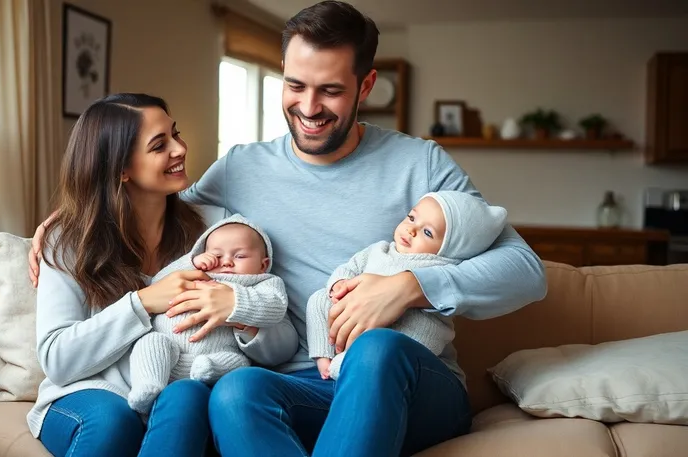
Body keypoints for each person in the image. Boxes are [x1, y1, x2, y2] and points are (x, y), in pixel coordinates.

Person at [29, 2, 546, 456]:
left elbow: (525, 270)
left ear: (366, 85)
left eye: (331, 91)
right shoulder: (239, 170)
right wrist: (73, 216)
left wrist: (409, 288)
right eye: (295, 85)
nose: (308, 107)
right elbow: (157, 207)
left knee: (375, 349)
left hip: (407, 380)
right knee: (235, 393)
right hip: (298, 383)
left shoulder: (421, 164)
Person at [28, 93, 298, 457]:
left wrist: (240, 310)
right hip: (90, 391)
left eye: (176, 133)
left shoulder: (216, 230)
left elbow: (281, 339)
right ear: (121, 169)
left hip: (182, 388)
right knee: (113, 422)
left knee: (187, 397)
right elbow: (58, 359)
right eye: (160, 145)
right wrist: (142, 303)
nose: (180, 149)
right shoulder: (67, 241)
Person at [306, 191, 508, 379]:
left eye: (427, 233)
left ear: (451, 249)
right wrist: (340, 284)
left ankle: (348, 365)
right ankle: (324, 356)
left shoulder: (439, 268)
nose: (411, 230)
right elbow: (351, 266)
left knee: (410, 336)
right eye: (412, 218)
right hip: (353, 310)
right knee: (318, 299)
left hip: (407, 326)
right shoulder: (380, 249)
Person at [128, 213, 289, 415]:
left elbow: (275, 306)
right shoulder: (194, 272)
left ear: (263, 264)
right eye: (217, 255)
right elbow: (158, 283)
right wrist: (191, 262)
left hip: (215, 357)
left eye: (239, 256)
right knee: (150, 341)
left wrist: (235, 303)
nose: (227, 262)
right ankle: (148, 387)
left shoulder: (262, 282)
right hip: (168, 356)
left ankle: (208, 369)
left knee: (239, 364)